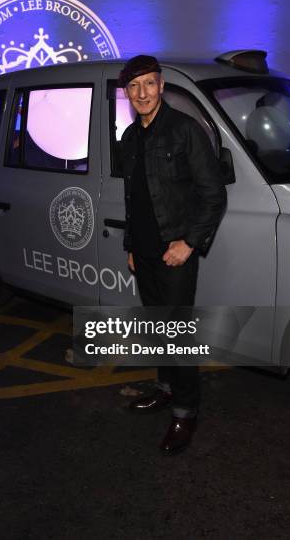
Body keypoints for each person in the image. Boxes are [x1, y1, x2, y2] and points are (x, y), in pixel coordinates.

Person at [119, 55, 227, 454]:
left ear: (162, 86)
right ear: (127, 93)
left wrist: (190, 242)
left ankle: (185, 412)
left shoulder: (185, 130)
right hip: (144, 253)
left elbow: (214, 194)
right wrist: (132, 246)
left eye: (149, 83)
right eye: (134, 86)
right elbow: (133, 199)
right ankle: (165, 389)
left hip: (175, 252)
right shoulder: (130, 137)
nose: (142, 93)